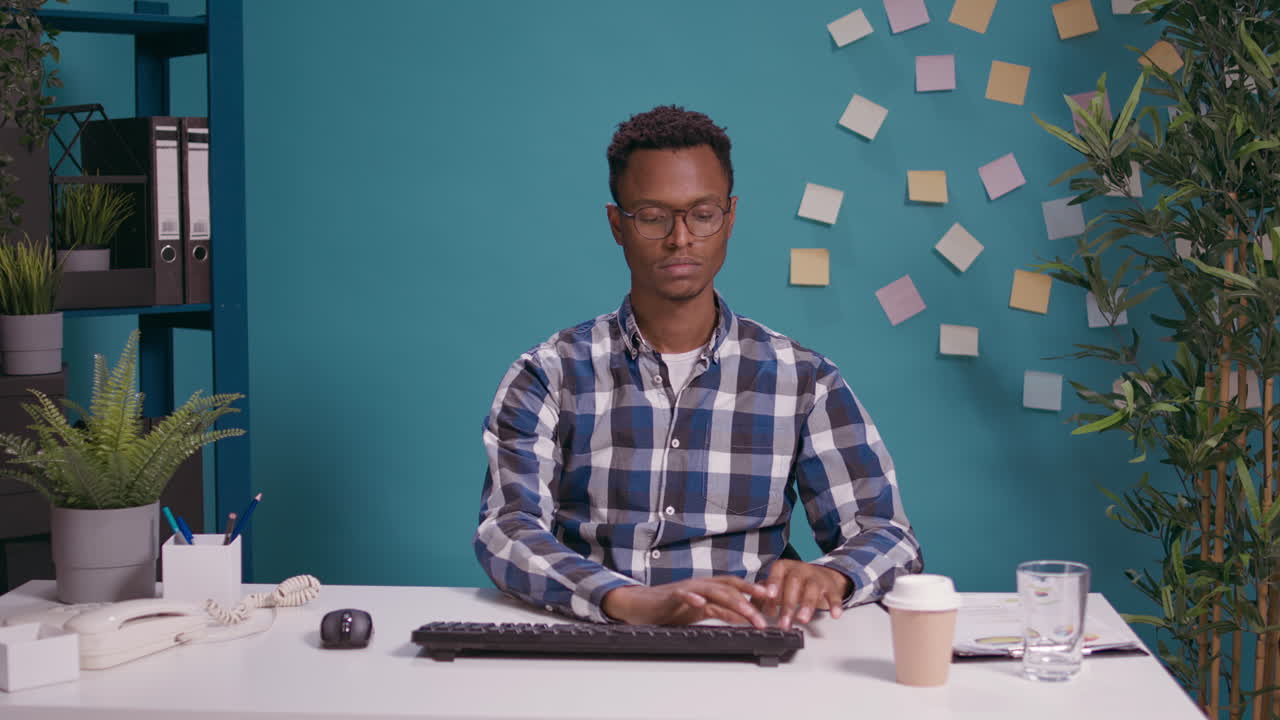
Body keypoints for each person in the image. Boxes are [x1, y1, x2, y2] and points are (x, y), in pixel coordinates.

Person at [475, 105, 922, 630]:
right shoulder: (548, 375)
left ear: (729, 218)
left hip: (750, 641)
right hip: (596, 639)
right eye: (652, 216)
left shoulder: (804, 379)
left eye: (702, 215)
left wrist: (835, 575)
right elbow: (507, 530)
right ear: (618, 224)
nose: (680, 238)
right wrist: (626, 600)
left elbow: (887, 535)